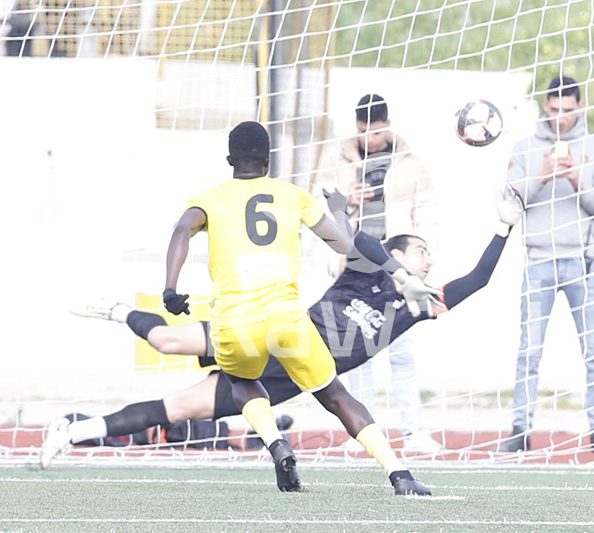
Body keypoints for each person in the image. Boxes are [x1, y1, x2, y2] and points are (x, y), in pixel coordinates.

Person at [42, 122, 440, 496]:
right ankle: (399, 475)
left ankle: (275, 443)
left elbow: (181, 230)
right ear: (268, 161)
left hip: (234, 322)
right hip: (288, 320)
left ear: (230, 160)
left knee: (241, 382)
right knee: (336, 395)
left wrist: (170, 288)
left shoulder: (210, 199)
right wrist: (346, 214)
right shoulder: (293, 196)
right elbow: (346, 243)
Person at [41, 185, 525, 469]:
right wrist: (353, 218)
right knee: (165, 338)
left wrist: (503, 228)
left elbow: (478, 280)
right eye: (421, 251)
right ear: (398, 254)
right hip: (266, 332)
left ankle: (76, 431)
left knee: (176, 408)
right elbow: (358, 239)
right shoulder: (367, 270)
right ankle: (118, 310)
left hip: (287, 377)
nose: (430, 259)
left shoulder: (419, 306)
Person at [312, 94, 439, 451]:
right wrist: (347, 203)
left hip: (396, 272)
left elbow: (428, 216)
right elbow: (316, 212)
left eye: (377, 131)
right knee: (354, 353)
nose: (370, 138)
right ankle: (363, 432)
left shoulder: (411, 162)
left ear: (388, 125)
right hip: (353, 270)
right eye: (363, 131)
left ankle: (414, 432)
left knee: (402, 351)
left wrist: (420, 265)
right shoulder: (335, 160)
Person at [503, 76, 594, 453]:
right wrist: (542, 175)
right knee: (529, 351)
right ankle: (520, 430)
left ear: (580, 107)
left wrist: (576, 179)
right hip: (538, 261)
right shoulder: (524, 148)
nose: (560, 118)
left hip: (582, 263)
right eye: (554, 110)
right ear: (544, 106)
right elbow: (510, 205)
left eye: (568, 110)